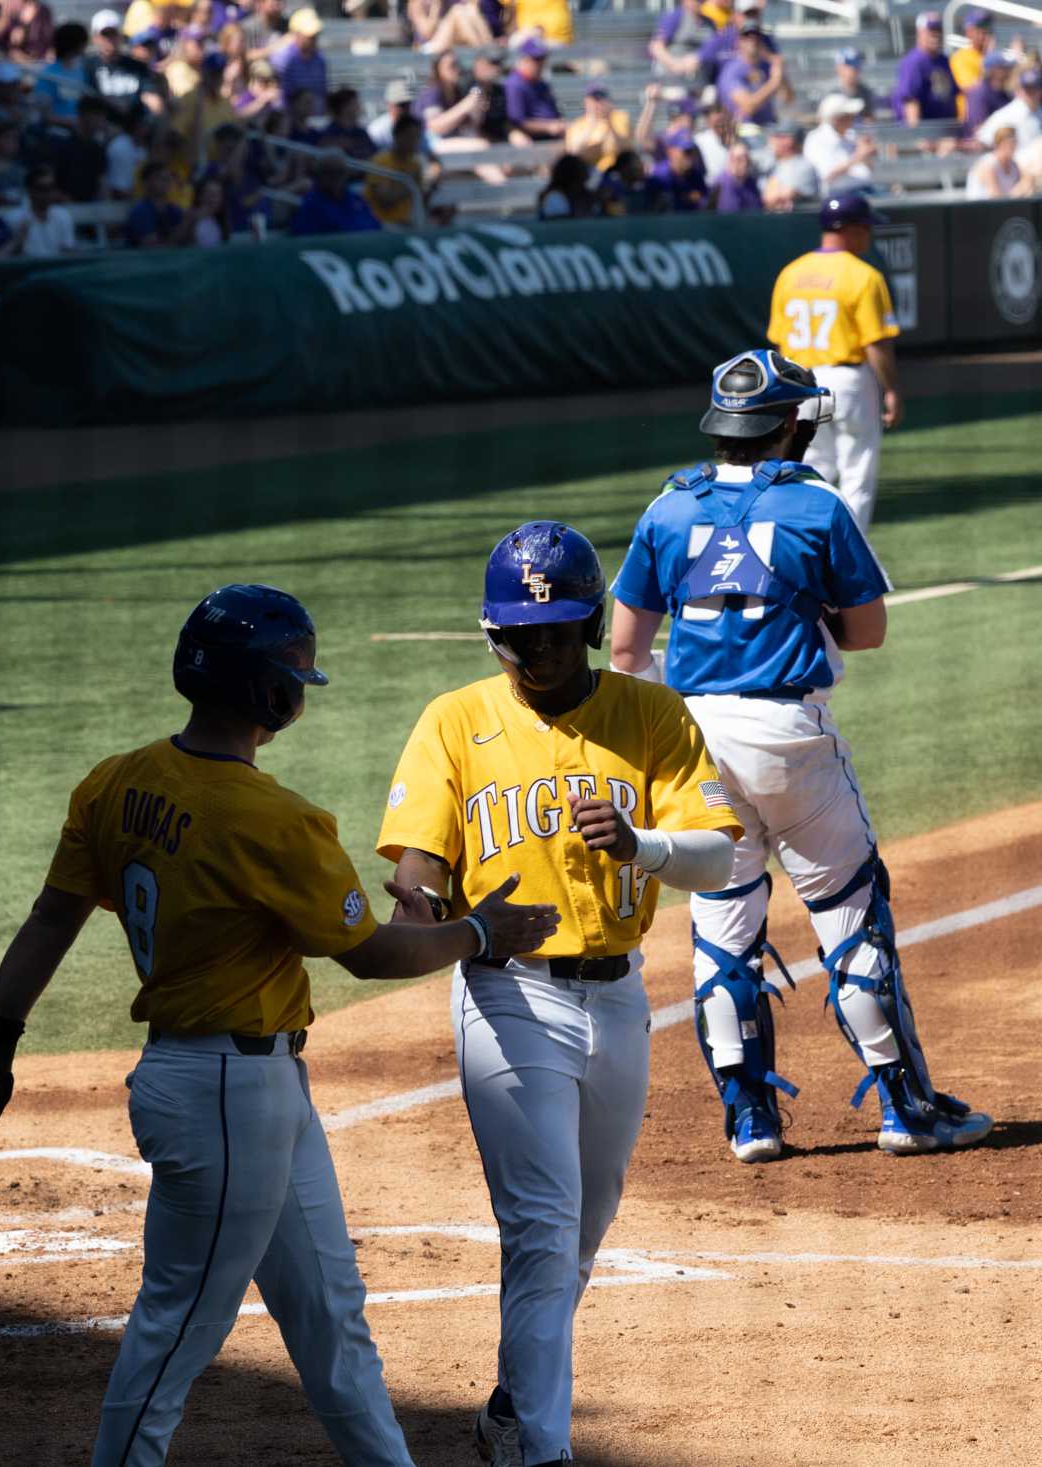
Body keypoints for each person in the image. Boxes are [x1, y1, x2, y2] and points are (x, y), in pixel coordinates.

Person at [0, 585, 558, 1467]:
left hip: (244, 1089)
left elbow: (50, 917)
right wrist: (482, 930)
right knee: (177, 1325)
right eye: (297, 676)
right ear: (270, 692)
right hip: (226, 1096)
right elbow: (370, 954)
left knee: (330, 1315)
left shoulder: (117, 783)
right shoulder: (275, 819)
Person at [376, 525, 740, 1467]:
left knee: (582, 1228)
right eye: (511, 637)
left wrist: (641, 843)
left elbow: (720, 852)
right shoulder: (455, 719)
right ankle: (540, 1450)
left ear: (585, 623)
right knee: (538, 1228)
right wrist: (419, 890)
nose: (530, 653)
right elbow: (418, 857)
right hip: (508, 1000)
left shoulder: (652, 716)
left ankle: (510, 1406)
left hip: (619, 1000)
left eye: (549, 634)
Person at [606, 348, 994, 1164]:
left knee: (722, 929)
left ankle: (751, 1122)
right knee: (850, 915)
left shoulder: (667, 507)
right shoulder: (816, 506)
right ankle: (906, 1109)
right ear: (789, 423)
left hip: (692, 744)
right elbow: (869, 630)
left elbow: (626, 648)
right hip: (790, 739)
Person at [766, 190, 901, 531]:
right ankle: (849, 564)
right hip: (848, 381)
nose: (869, 233)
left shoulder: (790, 273)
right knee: (857, 473)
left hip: (801, 383)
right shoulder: (864, 275)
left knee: (812, 472)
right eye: (865, 226)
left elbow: (781, 346)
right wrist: (892, 390)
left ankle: (809, 554)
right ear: (849, 227)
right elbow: (876, 344)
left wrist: (784, 396)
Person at [891, 11, 959, 126]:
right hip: (925, 131)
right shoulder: (913, 62)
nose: (936, 35)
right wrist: (919, 136)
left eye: (938, 30)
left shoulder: (944, 61)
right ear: (920, 33)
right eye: (931, 31)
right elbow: (910, 101)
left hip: (946, 129)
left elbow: (953, 96)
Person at [289, 150, 382, 233]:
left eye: (340, 172)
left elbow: (375, 226)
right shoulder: (311, 204)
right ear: (319, 175)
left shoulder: (356, 200)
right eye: (329, 172)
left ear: (346, 174)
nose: (336, 178)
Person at [805, 93, 875, 187]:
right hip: (838, 196)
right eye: (848, 115)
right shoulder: (816, 139)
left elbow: (866, 170)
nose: (853, 118)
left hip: (863, 190)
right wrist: (858, 156)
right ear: (836, 118)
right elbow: (825, 176)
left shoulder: (851, 135)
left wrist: (867, 156)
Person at [505, 36, 566, 139]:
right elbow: (518, 121)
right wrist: (548, 127)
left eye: (542, 58)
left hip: (554, 136)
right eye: (536, 59)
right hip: (532, 138)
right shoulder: (515, 84)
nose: (541, 63)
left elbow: (554, 113)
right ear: (525, 59)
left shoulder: (542, 84)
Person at [8, 165, 78, 253]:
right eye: (41, 188)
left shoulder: (63, 216)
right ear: (29, 190)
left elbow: (68, 251)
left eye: (51, 188)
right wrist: (18, 241)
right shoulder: (14, 219)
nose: (48, 193)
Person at [967, 122, 1029, 195]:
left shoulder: (1014, 165)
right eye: (1010, 143)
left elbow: (1025, 185)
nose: (1014, 146)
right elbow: (996, 197)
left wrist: (1026, 183)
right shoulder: (987, 165)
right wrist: (1020, 190)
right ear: (1000, 143)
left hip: (1006, 205)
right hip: (982, 206)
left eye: (1015, 142)